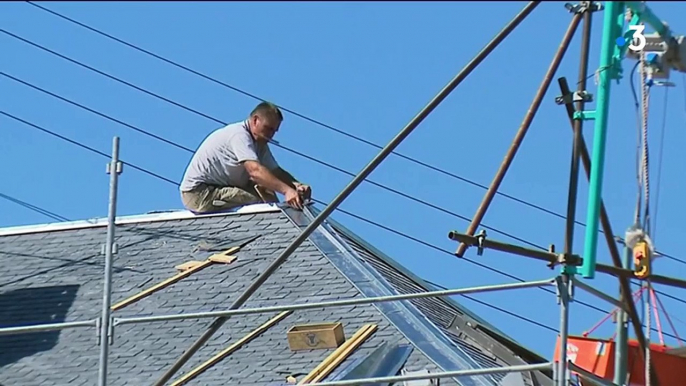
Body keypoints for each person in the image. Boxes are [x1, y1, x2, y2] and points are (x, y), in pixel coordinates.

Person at [180, 101, 311, 213]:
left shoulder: (259, 143)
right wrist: (287, 191)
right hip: (199, 193)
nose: (270, 135)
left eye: (274, 131)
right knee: (258, 201)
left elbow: (274, 172)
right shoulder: (239, 136)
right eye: (268, 128)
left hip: (220, 186)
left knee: (268, 189)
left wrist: (296, 186)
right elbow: (255, 171)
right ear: (255, 120)